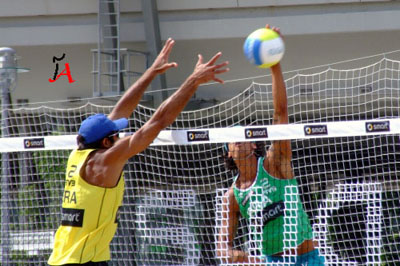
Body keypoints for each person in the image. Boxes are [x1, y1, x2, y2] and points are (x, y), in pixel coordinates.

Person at [48, 38, 229, 265]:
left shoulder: (80, 153)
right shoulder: (104, 161)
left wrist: (151, 72)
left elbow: (120, 111)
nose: (120, 135)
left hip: (68, 257)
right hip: (82, 261)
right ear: (106, 142)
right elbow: (159, 121)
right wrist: (193, 80)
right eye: (116, 134)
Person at [216, 26, 325, 265]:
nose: (241, 138)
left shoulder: (274, 163)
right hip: (272, 261)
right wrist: (248, 259)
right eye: (235, 137)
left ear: (254, 144)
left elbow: (281, 115)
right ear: (229, 153)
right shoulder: (233, 196)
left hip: (307, 258)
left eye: (246, 135)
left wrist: (274, 65)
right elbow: (221, 250)